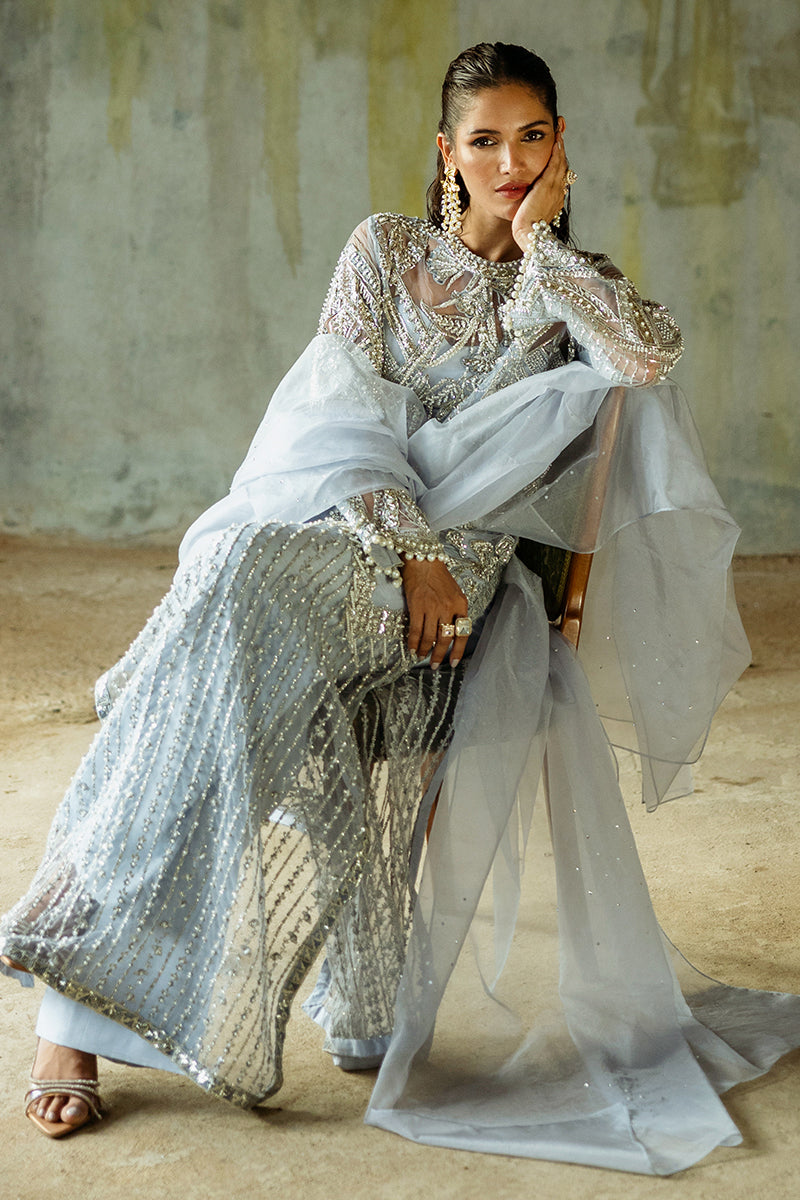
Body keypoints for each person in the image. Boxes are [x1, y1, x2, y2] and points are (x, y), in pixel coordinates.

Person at [2, 41, 798, 1173]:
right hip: (354, 532)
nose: (509, 162)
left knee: (225, 620)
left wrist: (540, 247)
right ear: (446, 152)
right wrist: (405, 547)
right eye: (485, 141)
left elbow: (648, 358)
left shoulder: (574, 289)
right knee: (236, 606)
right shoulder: (382, 250)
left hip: (467, 584)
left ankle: (74, 943)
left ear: (560, 147)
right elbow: (333, 418)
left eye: (532, 137)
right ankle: (92, 989)